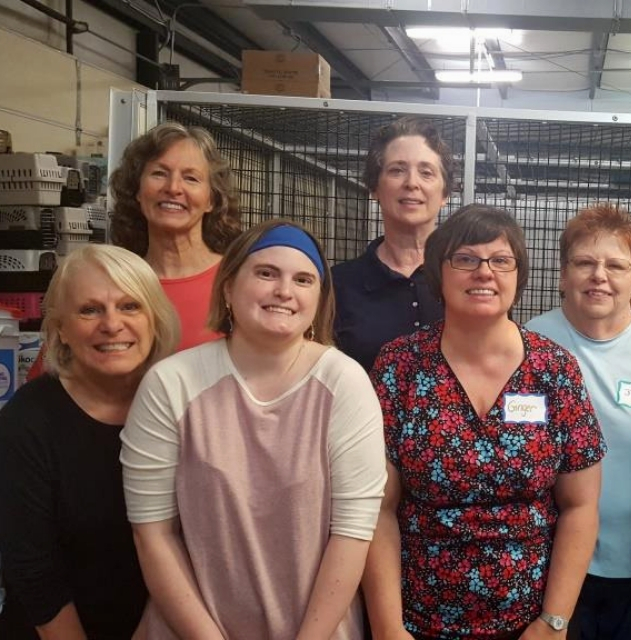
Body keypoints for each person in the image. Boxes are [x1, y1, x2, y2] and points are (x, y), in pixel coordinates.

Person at [121, 220, 387, 639]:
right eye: (266, 273)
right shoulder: (171, 383)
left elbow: (353, 533)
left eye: (303, 279)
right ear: (228, 287)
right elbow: (152, 534)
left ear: (318, 300)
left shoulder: (344, 383)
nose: (284, 291)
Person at [366, 204, 606, 640]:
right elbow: (378, 507)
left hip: (529, 623)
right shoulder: (399, 366)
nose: (484, 272)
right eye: (465, 259)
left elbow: (581, 505)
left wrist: (553, 622)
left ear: (518, 274)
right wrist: (388, 627)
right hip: (417, 620)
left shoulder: (554, 370)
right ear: (439, 274)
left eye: (500, 260)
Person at [526, 203, 631, 640]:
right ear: (563, 276)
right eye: (585, 262)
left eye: (616, 265)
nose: (599, 275)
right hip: (546, 567)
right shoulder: (527, 345)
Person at [0, 245, 180, 639]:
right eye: (90, 310)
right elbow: (33, 572)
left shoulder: (181, 409)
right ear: (60, 328)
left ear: (155, 319)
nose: (112, 324)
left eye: (130, 306)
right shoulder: (28, 423)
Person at [25, 122, 242, 378]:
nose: (173, 188)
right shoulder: (107, 280)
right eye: (159, 173)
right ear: (137, 191)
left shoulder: (239, 280)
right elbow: (51, 372)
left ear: (211, 200)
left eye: (191, 178)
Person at [333, 117, 451, 370]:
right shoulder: (336, 285)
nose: (412, 183)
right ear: (374, 188)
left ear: (445, 194)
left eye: (426, 172)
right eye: (397, 170)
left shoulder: (469, 279)